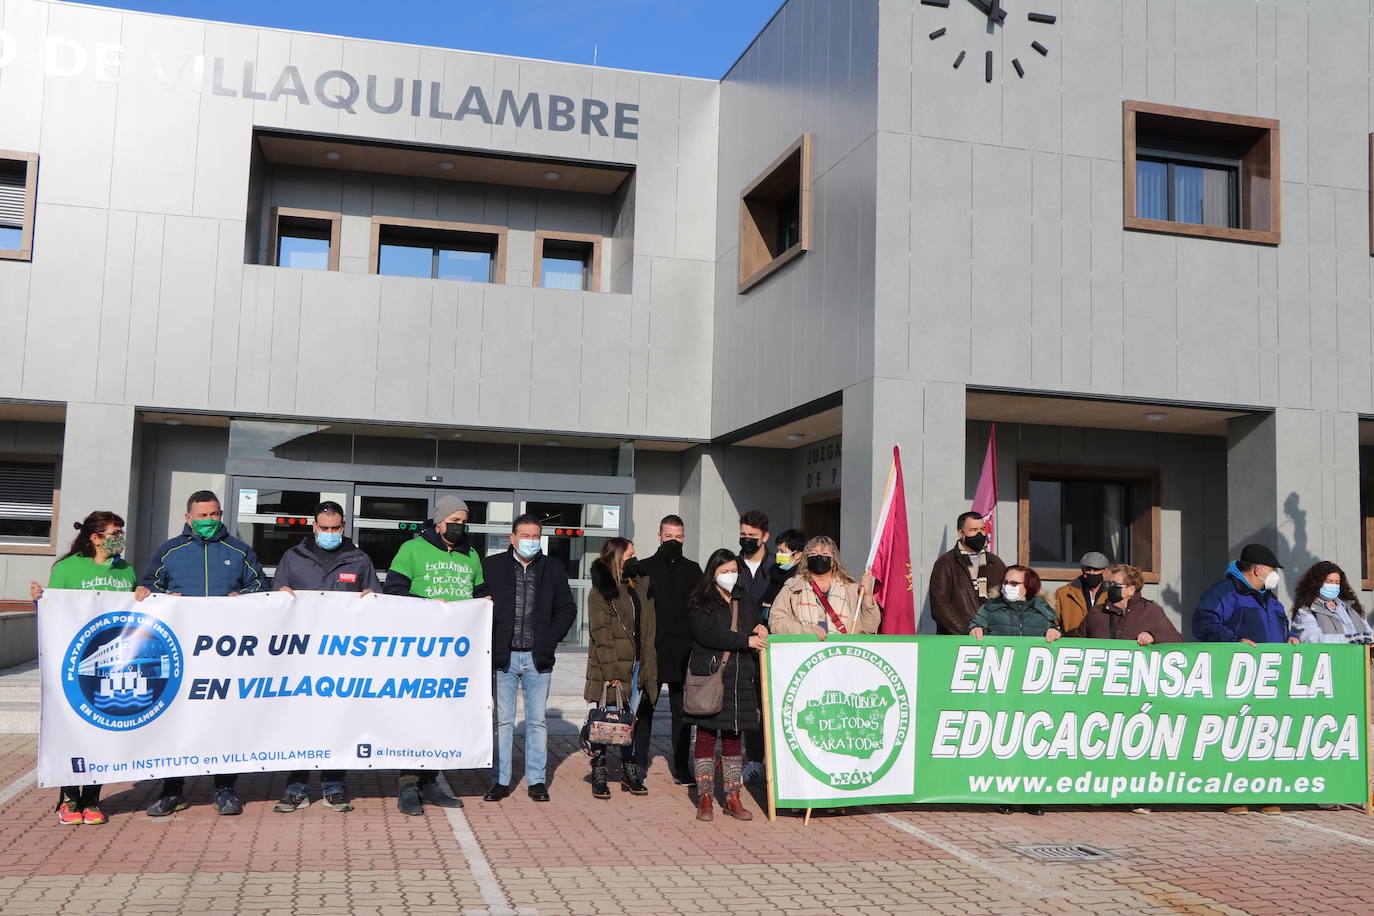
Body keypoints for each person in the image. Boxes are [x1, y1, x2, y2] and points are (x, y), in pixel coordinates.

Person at [142, 490, 266, 817]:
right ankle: (172, 790)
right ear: (188, 518)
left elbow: (260, 590)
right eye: (201, 516)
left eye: (213, 515)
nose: (208, 521)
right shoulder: (170, 551)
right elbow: (148, 588)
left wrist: (246, 598)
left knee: (223, 720)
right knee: (177, 719)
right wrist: (161, 596)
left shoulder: (239, 550)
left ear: (221, 514)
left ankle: (225, 788)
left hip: (227, 655)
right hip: (181, 654)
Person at [269, 500, 382, 815]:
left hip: (343, 658)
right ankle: (296, 789)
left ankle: (335, 789)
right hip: (303, 658)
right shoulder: (293, 558)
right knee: (302, 725)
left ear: (342, 527)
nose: (330, 533)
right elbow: (276, 596)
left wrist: (371, 600)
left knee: (337, 724)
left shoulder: (358, 559)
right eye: (324, 528)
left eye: (335, 528)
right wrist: (280, 596)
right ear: (314, 527)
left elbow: (374, 602)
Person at [30, 511, 139, 826]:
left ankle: (92, 798)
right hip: (73, 664)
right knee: (71, 730)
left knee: (100, 731)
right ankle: (70, 798)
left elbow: (131, 612)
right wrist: (40, 600)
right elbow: (53, 611)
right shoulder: (67, 568)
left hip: (113, 666)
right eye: (115, 532)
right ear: (96, 537)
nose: (120, 537)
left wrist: (142, 596)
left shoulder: (126, 570)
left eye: (121, 531)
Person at [383, 494, 484, 814]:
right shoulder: (411, 549)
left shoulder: (471, 555)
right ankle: (408, 785)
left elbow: (480, 595)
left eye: (463, 523)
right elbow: (394, 592)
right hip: (420, 651)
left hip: (457, 654)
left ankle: (430, 782)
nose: (459, 527)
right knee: (416, 717)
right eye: (454, 522)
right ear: (439, 521)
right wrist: (428, 607)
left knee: (444, 718)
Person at [1192, 543, 1298, 816]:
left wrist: (1290, 638)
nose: (1274, 574)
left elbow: (1279, 628)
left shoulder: (1270, 599)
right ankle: (1232, 794)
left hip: (1270, 679)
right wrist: (1234, 642)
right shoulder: (1225, 592)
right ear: (1257, 569)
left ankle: (1264, 792)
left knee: (1265, 734)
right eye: (1271, 570)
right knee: (1234, 735)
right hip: (1234, 676)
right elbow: (1204, 622)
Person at [481, 514, 577, 803]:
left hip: (538, 658)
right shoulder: (492, 566)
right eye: (526, 536)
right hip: (504, 657)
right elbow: (476, 602)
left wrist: (550, 639)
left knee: (537, 722)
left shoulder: (553, 568)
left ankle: (536, 781)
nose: (531, 541)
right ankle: (500, 780)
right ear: (512, 538)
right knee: (502, 722)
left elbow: (567, 609)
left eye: (536, 536)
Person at [969, 565, 1061, 817]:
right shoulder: (990, 608)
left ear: (1028, 587)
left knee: (1033, 742)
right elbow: (976, 625)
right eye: (1006, 582)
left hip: (1033, 688)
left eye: (1015, 583)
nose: (1008, 586)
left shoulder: (1044, 611)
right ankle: (1005, 795)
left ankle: (1033, 797)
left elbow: (1057, 631)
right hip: (1004, 686)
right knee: (1006, 741)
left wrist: (1055, 632)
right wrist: (975, 631)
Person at [685, 549, 767, 822]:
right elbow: (707, 634)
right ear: (713, 574)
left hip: (741, 679)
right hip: (711, 677)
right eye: (724, 571)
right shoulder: (700, 601)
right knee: (706, 736)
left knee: (734, 738)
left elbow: (753, 625)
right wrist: (745, 641)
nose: (730, 576)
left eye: (734, 570)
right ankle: (705, 796)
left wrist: (759, 628)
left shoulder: (745, 598)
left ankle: (733, 796)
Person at [583, 537, 656, 799]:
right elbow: (600, 632)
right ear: (617, 557)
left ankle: (629, 771)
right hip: (612, 667)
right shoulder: (601, 590)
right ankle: (599, 770)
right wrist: (611, 672)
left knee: (629, 722)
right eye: (630, 554)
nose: (635, 558)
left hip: (637, 664)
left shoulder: (636, 585)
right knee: (607, 721)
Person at [635, 515, 704, 785]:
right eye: (668, 536)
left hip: (683, 653)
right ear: (659, 536)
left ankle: (681, 766)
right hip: (650, 652)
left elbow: (699, 609)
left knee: (682, 714)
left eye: (678, 537)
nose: (673, 541)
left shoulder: (693, 569)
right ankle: (638, 763)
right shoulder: (643, 568)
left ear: (684, 537)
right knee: (644, 711)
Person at [768, 536, 880, 638]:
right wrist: (805, 631)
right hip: (805, 653)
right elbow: (776, 622)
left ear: (834, 561)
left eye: (825, 554)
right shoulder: (792, 587)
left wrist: (867, 595)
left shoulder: (851, 588)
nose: (819, 557)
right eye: (813, 554)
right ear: (806, 560)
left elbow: (870, 627)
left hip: (842, 653)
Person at [928, 511, 1007, 635]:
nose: (980, 534)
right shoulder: (946, 563)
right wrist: (967, 631)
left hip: (991, 638)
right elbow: (940, 606)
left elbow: (1005, 601)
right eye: (973, 530)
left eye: (982, 529)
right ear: (961, 533)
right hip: (957, 640)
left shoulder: (996, 563)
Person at [1082, 564, 1182, 645]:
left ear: (1131, 590)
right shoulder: (1096, 612)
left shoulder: (1152, 611)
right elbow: (1076, 640)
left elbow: (1176, 638)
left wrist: (1153, 636)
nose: (1110, 588)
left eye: (1115, 584)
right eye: (1109, 584)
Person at [1291, 561, 1371, 645]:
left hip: (1359, 657)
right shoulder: (1306, 611)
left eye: (1337, 583)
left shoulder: (1352, 607)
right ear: (1316, 583)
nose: (1333, 586)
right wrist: (1351, 639)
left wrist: (1370, 639)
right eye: (1329, 582)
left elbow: (1367, 632)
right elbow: (1312, 639)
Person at [1053, 551, 1109, 637]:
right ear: (1082, 569)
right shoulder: (1064, 593)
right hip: (1073, 646)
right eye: (1088, 569)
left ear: (1104, 572)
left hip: (1102, 647)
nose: (1091, 572)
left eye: (1096, 570)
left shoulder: (1112, 595)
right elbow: (1053, 622)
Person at [735, 510, 775, 605]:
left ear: (765, 537)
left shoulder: (776, 566)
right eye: (743, 534)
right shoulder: (732, 565)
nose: (747, 538)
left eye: (752, 535)